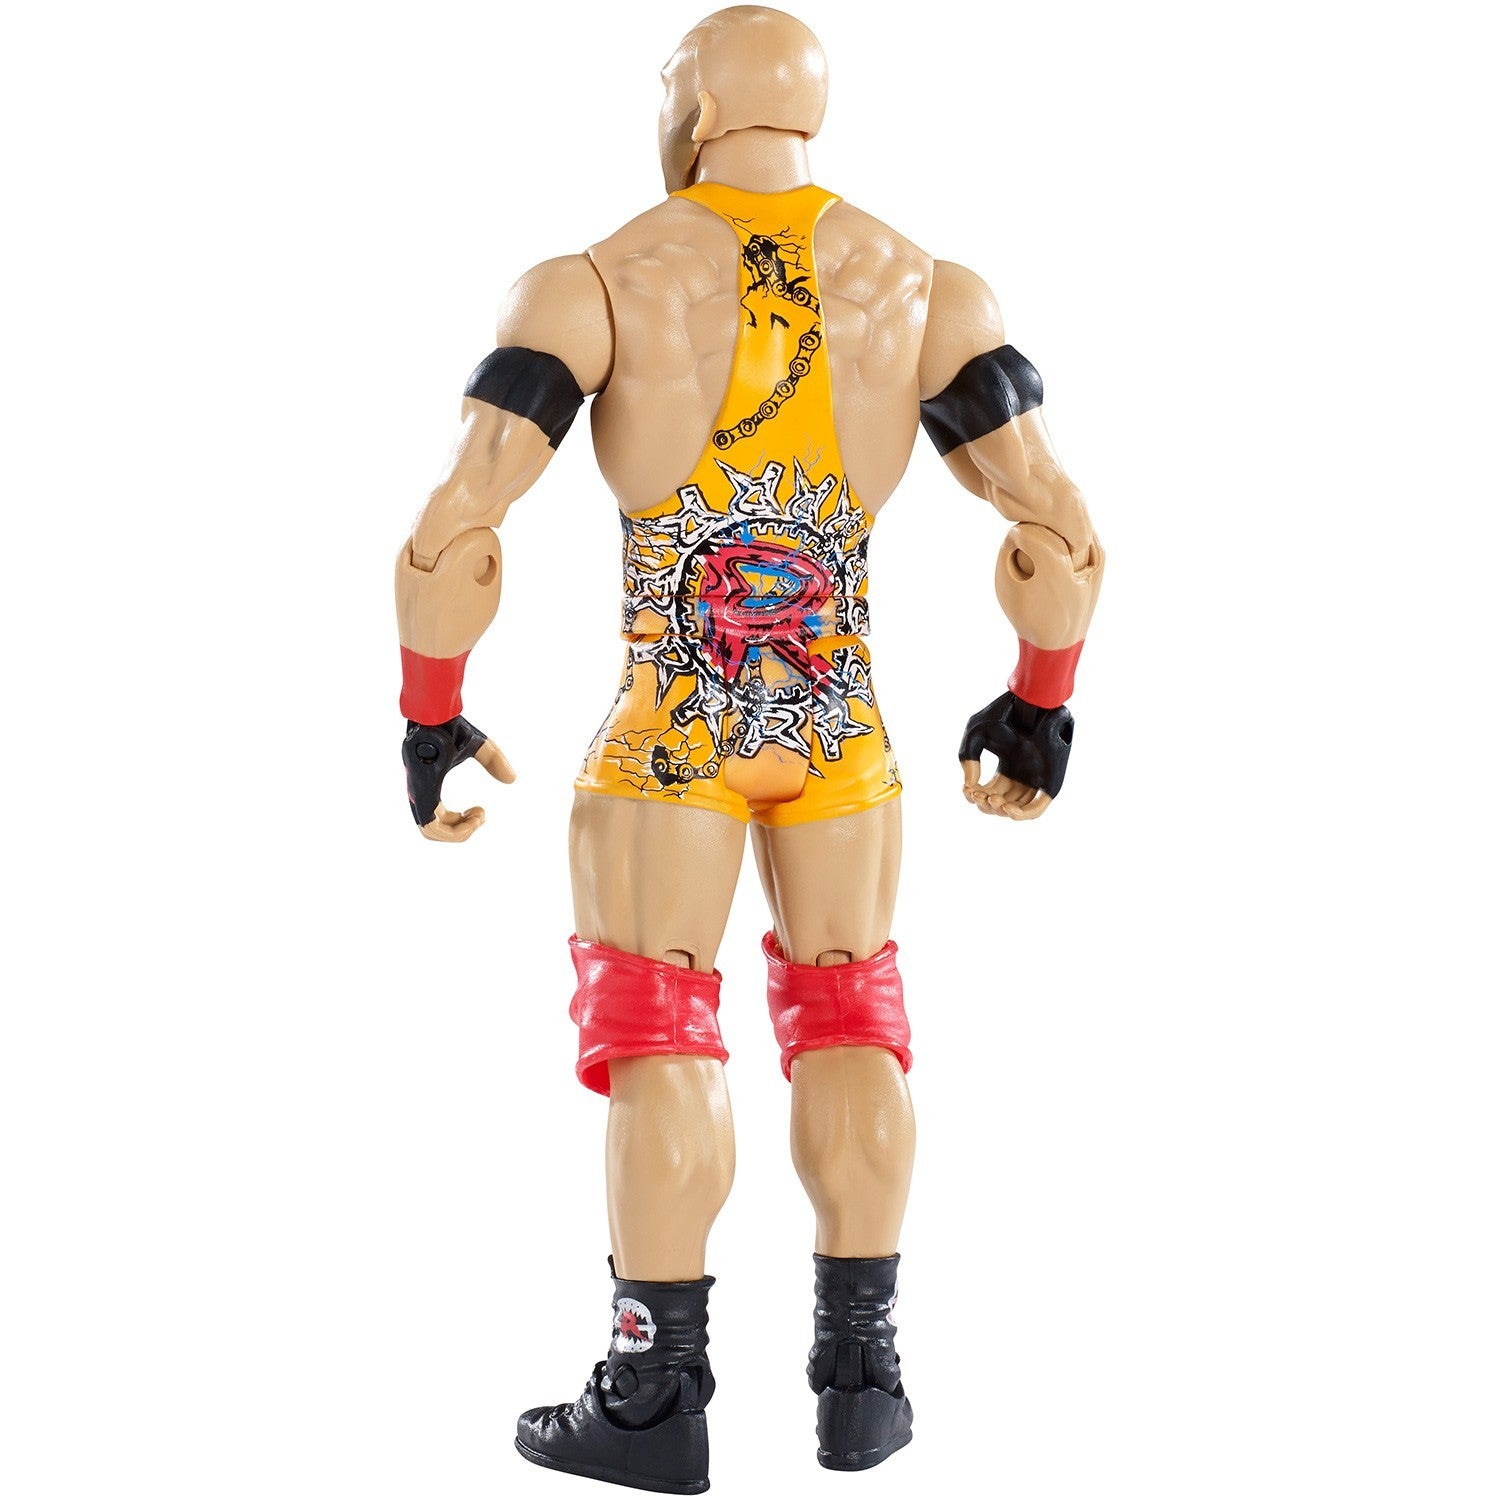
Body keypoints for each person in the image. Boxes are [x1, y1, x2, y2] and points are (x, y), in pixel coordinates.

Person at [393, 7, 1103, 1491]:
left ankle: (654, 1399)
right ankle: (863, 1384)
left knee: (658, 1024)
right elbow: (1058, 527)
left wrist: (431, 710)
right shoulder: (926, 287)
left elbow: (457, 521)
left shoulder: (599, 281)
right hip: (838, 725)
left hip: (677, 728)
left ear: (699, 105)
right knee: (852, 1015)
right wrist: (1040, 701)